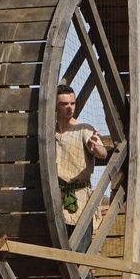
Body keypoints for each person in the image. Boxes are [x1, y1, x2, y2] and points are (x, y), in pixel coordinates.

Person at [54, 84, 109, 241]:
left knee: (80, 253)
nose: (70, 108)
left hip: (80, 202)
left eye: (72, 103)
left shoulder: (84, 129)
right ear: (55, 106)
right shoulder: (48, 131)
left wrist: (96, 145)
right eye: (64, 104)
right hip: (54, 201)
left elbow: (102, 153)